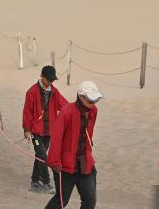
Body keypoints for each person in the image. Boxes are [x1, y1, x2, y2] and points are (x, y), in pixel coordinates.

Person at [45, 80, 104, 209]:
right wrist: (54, 163)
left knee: (89, 201)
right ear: (81, 97)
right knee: (61, 201)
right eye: (90, 100)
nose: (93, 104)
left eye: (95, 101)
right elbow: (57, 139)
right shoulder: (66, 112)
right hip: (66, 166)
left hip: (85, 163)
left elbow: (88, 134)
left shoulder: (94, 111)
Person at [23, 65, 69, 193]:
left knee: (39, 156)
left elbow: (64, 106)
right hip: (35, 132)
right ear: (42, 77)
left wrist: (75, 111)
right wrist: (26, 129)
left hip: (49, 132)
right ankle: (46, 183)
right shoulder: (31, 92)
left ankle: (34, 182)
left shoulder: (55, 92)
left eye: (52, 80)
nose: (50, 82)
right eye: (48, 79)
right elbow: (27, 112)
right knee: (43, 156)